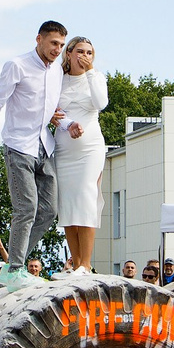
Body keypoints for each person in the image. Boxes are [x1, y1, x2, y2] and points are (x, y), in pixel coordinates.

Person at [0, 21, 67, 278]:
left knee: (49, 210)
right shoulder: (17, 66)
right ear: (39, 39)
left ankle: (15, 260)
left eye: (61, 45)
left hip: (45, 145)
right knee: (26, 207)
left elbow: (52, 109)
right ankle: (15, 268)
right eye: (54, 43)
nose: (58, 50)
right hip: (19, 145)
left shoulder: (56, 71)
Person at [51, 35, 109, 274]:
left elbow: (101, 103)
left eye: (89, 53)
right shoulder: (57, 80)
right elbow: (52, 111)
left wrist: (91, 72)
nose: (84, 56)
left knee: (86, 199)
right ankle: (75, 263)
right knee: (68, 204)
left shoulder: (97, 78)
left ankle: (86, 263)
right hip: (65, 150)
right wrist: (62, 121)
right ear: (69, 53)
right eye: (80, 51)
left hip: (90, 148)